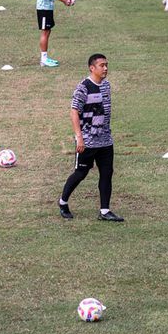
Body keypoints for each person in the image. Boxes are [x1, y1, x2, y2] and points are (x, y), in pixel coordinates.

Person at [58, 54, 124, 223]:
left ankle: (105, 210)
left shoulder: (106, 86)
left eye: (107, 65)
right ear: (92, 68)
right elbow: (74, 111)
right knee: (81, 173)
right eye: (102, 65)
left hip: (105, 140)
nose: (106, 68)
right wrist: (79, 138)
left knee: (107, 173)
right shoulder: (83, 87)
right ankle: (63, 202)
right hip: (87, 140)